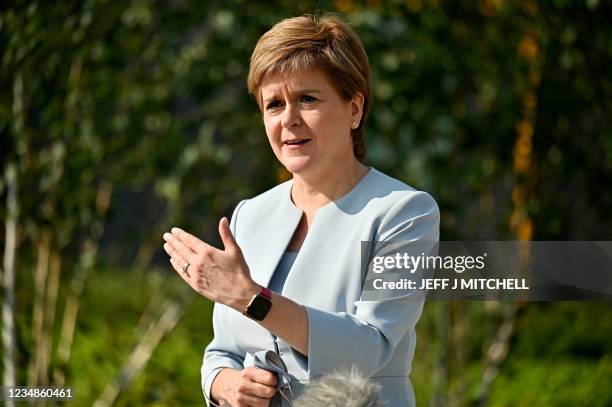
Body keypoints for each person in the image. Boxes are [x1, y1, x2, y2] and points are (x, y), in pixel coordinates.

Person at [162, 13, 439, 407]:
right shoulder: (249, 215)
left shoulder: (404, 213)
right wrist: (225, 386)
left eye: (307, 99)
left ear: (354, 109)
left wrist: (250, 298)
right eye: (274, 104)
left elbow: (371, 346)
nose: (288, 119)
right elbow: (223, 351)